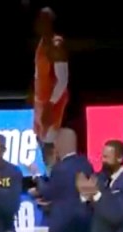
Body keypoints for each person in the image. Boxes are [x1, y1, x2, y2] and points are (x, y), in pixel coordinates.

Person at [34, 7, 69, 168]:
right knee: (41, 140)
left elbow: (62, 80)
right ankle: (51, 174)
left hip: (51, 102)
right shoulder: (42, 42)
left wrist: (50, 104)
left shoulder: (56, 44)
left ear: (50, 23)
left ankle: (57, 175)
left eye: (43, 20)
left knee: (50, 144)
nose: (39, 23)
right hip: (41, 100)